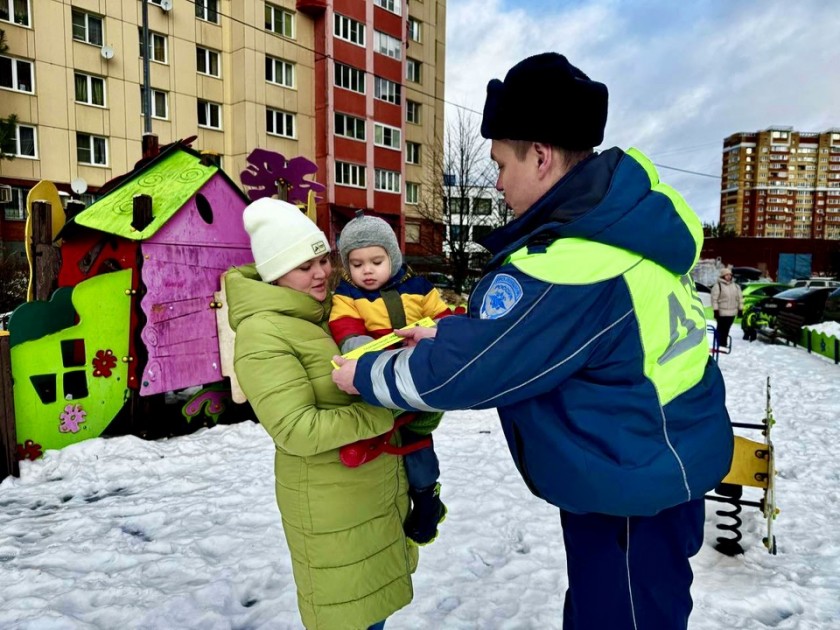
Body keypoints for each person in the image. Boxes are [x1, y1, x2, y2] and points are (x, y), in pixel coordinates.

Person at [332, 52, 734, 629]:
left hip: (630, 480)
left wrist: (365, 373)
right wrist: (445, 328)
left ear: (541, 157)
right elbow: (539, 338)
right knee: (624, 605)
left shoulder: (572, 264)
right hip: (654, 462)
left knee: (620, 617)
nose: (495, 181)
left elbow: (470, 371)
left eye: (499, 162)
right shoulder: (621, 238)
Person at [225, 197, 417, 630]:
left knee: (373, 608)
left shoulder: (325, 312)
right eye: (304, 266)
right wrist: (382, 413)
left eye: (322, 260)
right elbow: (296, 429)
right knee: (348, 615)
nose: (322, 272)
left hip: (368, 496)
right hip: (331, 506)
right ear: (275, 272)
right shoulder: (262, 332)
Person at [330, 211, 452, 545]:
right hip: (378, 376)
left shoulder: (418, 287)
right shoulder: (347, 295)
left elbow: (445, 318)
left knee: (418, 435)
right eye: (356, 264)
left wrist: (435, 330)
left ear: (392, 257)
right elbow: (344, 325)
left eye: (376, 260)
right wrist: (362, 347)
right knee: (394, 427)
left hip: (418, 375)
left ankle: (427, 496)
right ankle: (371, 447)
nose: (366, 270)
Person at [711, 267, 744, 349]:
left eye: (730, 275)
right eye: (726, 275)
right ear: (723, 276)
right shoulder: (718, 286)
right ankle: (719, 343)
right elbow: (714, 299)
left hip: (732, 312)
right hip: (722, 312)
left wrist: (740, 309)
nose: (729, 276)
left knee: (727, 329)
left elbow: (740, 299)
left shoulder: (736, 286)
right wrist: (716, 311)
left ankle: (723, 343)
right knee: (721, 328)